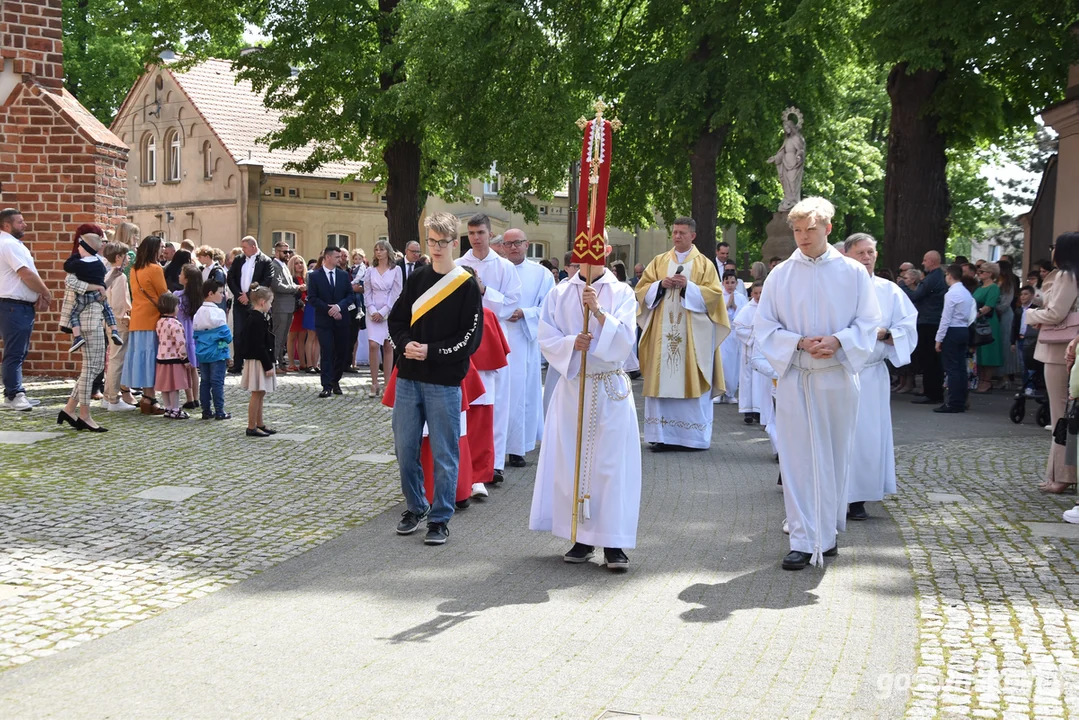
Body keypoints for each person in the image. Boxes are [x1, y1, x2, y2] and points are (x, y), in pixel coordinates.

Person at [754, 197, 880, 570]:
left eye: (810, 229)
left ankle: (827, 534)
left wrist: (839, 340)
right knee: (796, 460)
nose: (802, 237)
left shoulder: (853, 273)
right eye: (796, 230)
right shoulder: (781, 275)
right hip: (797, 377)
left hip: (836, 377)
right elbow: (765, 325)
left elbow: (868, 323)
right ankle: (802, 538)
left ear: (827, 228)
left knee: (834, 457)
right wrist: (797, 342)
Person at [530, 244, 641, 570]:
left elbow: (624, 340)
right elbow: (545, 336)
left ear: (605, 249)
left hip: (608, 387)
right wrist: (569, 345)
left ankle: (614, 542)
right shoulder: (560, 293)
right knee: (574, 464)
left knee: (610, 466)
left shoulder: (621, 291)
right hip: (575, 386)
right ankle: (580, 535)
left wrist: (598, 312)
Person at [389, 212, 483, 546]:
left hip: (443, 382)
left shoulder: (466, 284)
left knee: (445, 453)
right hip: (408, 378)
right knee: (405, 448)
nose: (437, 247)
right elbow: (396, 321)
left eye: (443, 242)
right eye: (431, 241)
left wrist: (431, 351)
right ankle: (416, 506)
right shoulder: (416, 278)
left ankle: (440, 518)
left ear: (454, 243)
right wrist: (405, 344)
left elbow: (468, 339)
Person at [636, 216, 729, 450]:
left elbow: (715, 295)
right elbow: (641, 290)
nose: (677, 236)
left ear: (693, 236)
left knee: (690, 378)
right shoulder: (658, 261)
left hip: (692, 337)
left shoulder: (704, 264)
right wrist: (660, 286)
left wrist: (690, 287)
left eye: (682, 233)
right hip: (661, 334)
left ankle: (691, 439)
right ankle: (661, 436)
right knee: (661, 378)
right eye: (675, 232)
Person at [843, 233, 918, 519]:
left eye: (871, 252)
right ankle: (832, 493)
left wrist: (887, 334)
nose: (866, 257)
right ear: (847, 255)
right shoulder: (834, 289)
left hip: (871, 375)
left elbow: (908, 327)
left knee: (867, 436)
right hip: (838, 371)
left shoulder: (889, 290)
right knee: (838, 434)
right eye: (860, 252)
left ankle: (859, 496)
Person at [456, 213, 522, 481]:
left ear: (490, 233)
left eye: (481, 233)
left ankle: (493, 463)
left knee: (498, 401)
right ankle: (468, 461)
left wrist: (484, 291)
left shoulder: (504, 267)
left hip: (493, 337)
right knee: (469, 402)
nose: (476, 238)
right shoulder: (459, 264)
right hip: (464, 338)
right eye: (471, 233)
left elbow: (511, 303)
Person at [1028, 232, 1079, 494]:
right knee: (1064, 412)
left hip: (1060, 350)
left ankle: (1063, 475)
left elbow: (1056, 312)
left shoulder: (1066, 275)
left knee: (1061, 413)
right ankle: (1060, 473)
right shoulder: (1070, 274)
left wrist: (1030, 314)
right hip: (1067, 348)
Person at [502, 228, 556, 467]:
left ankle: (517, 448)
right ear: (503, 247)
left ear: (527, 245)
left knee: (522, 394)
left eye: (518, 243)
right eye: (509, 243)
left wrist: (525, 313)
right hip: (498, 336)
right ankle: (492, 449)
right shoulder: (497, 270)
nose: (513, 247)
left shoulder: (541, 274)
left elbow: (549, 307)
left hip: (524, 339)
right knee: (499, 395)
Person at [122, 235, 168, 415]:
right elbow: (164, 295)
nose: (162, 251)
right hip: (152, 318)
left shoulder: (134, 269)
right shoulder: (155, 269)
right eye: (160, 247)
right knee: (151, 359)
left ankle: (146, 397)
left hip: (138, 317)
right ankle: (149, 397)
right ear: (153, 250)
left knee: (141, 359)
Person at [307, 245, 359, 397]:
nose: (340, 259)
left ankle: (336, 380)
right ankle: (326, 385)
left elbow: (350, 296)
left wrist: (338, 307)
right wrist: (329, 309)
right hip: (324, 320)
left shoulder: (343, 275)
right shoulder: (315, 276)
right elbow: (312, 298)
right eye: (337, 257)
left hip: (342, 319)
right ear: (328, 257)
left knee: (341, 352)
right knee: (327, 350)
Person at [63, 233, 123, 353]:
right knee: (107, 311)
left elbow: (67, 266)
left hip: (84, 296)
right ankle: (115, 331)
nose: (78, 249)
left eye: (80, 246)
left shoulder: (79, 263)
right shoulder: (100, 264)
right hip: (98, 295)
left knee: (73, 314)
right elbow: (101, 282)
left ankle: (77, 337)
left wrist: (75, 256)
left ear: (85, 248)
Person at [904, 250, 948, 407]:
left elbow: (916, 296)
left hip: (929, 322)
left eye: (924, 260)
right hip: (932, 320)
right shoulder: (937, 277)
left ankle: (932, 393)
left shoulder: (932, 278)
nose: (922, 263)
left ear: (932, 261)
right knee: (931, 360)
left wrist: (904, 286)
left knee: (929, 359)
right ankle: (932, 391)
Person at [226, 236, 274, 374]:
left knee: (256, 333)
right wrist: (238, 295)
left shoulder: (265, 261)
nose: (242, 249)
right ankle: (238, 363)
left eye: (245, 247)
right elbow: (231, 278)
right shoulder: (239, 259)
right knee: (239, 332)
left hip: (256, 303)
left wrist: (249, 296)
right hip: (239, 301)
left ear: (253, 247)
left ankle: (255, 362)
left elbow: (267, 280)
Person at [934, 264, 976, 414]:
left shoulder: (951, 294)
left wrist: (939, 339)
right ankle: (961, 400)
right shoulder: (966, 293)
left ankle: (953, 402)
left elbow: (946, 318)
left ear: (949, 275)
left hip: (952, 330)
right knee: (960, 368)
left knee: (952, 368)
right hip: (963, 329)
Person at [102, 241, 138, 411]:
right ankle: (113, 399)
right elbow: (118, 302)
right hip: (117, 322)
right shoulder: (120, 276)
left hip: (110, 321)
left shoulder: (109, 274)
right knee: (117, 360)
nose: (126, 260)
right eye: (124, 256)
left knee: (113, 359)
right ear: (118, 257)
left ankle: (108, 396)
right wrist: (124, 317)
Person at [365, 239, 403, 397]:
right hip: (372, 310)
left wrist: (384, 311)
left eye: (381, 249)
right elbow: (367, 292)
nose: (378, 252)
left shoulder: (396, 270)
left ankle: (387, 383)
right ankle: (374, 383)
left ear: (388, 251)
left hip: (389, 310)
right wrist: (373, 310)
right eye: (376, 249)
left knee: (388, 345)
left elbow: (396, 292)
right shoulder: (370, 270)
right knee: (373, 345)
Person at [239, 286, 278, 436]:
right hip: (258, 360)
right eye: (270, 302)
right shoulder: (256, 319)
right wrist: (268, 365)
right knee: (257, 393)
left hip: (260, 359)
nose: (271, 305)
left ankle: (260, 423)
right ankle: (251, 426)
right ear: (262, 302)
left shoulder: (258, 317)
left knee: (261, 392)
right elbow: (259, 345)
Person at [193, 279, 232, 420]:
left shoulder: (198, 312)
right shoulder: (218, 312)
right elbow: (227, 335)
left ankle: (206, 410)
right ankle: (220, 410)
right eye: (220, 292)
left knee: (205, 381)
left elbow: (195, 332)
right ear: (210, 293)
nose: (223, 295)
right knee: (217, 382)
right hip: (217, 352)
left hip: (203, 352)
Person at [154, 292, 191, 419]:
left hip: (162, 358)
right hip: (174, 359)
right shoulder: (175, 324)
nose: (178, 308)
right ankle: (175, 408)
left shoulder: (160, 322)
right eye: (177, 306)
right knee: (174, 386)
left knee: (165, 386)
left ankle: (167, 407)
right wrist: (185, 358)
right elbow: (180, 342)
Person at [732, 282, 765, 424]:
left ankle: (760, 409)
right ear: (751, 294)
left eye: (761, 293)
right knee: (747, 380)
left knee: (761, 380)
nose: (758, 296)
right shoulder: (746, 309)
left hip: (764, 351)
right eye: (756, 293)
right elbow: (738, 328)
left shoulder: (769, 308)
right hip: (749, 351)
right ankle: (748, 410)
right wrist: (753, 335)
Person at [269, 240, 302, 374]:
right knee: (277, 336)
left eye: (289, 251)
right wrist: (296, 288)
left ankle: (280, 362)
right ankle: (274, 363)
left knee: (283, 337)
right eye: (285, 252)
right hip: (280, 306)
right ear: (276, 252)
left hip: (288, 307)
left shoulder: (283, 265)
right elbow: (277, 286)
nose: (288, 254)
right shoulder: (274, 266)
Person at [175, 265, 203, 410]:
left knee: (185, 368)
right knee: (193, 369)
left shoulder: (178, 296)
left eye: (181, 273)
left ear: (186, 279)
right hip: (195, 333)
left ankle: (189, 398)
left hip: (182, 334)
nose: (179, 275)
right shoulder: (199, 297)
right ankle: (196, 398)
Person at [973, 262, 1003, 393]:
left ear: (990, 273)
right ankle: (980, 379)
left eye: (982, 272)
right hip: (977, 321)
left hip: (987, 322)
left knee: (988, 352)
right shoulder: (979, 287)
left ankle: (987, 381)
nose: (979, 274)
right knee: (979, 352)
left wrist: (975, 315)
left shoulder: (993, 288)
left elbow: (988, 306)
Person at [718, 271, 745, 405]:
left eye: (732, 282)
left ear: (737, 283)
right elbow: (716, 313)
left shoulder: (740, 297)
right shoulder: (719, 296)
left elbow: (744, 315)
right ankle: (718, 391)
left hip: (735, 334)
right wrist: (727, 305)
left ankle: (730, 392)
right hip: (723, 332)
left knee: (733, 365)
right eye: (727, 282)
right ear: (722, 283)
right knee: (721, 361)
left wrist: (734, 306)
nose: (729, 285)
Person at [287, 254, 310, 371]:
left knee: (302, 337)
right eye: (296, 263)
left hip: (305, 311)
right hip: (295, 310)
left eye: (301, 262)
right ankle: (291, 363)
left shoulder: (307, 278)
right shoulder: (291, 278)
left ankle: (302, 362)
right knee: (292, 337)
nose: (299, 265)